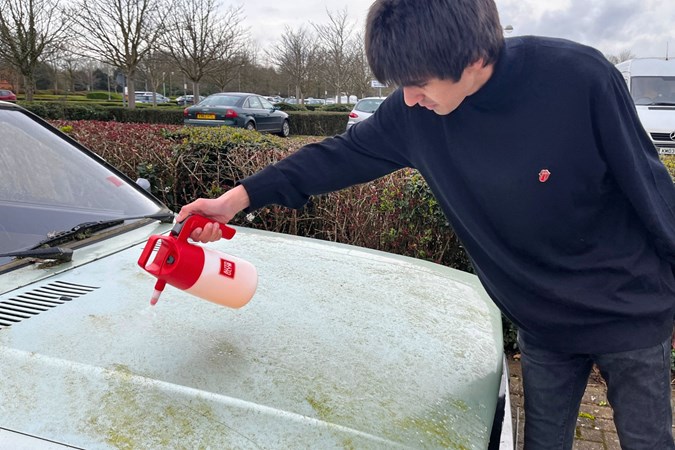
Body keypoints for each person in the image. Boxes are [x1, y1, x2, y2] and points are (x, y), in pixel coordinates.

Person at [177, 0, 675, 448]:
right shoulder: (414, 116)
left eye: (419, 83)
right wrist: (236, 199)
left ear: (475, 58)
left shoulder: (578, 78)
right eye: (401, 85)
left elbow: (648, 186)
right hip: (542, 322)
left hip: (628, 308)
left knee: (647, 440)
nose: (410, 98)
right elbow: (336, 157)